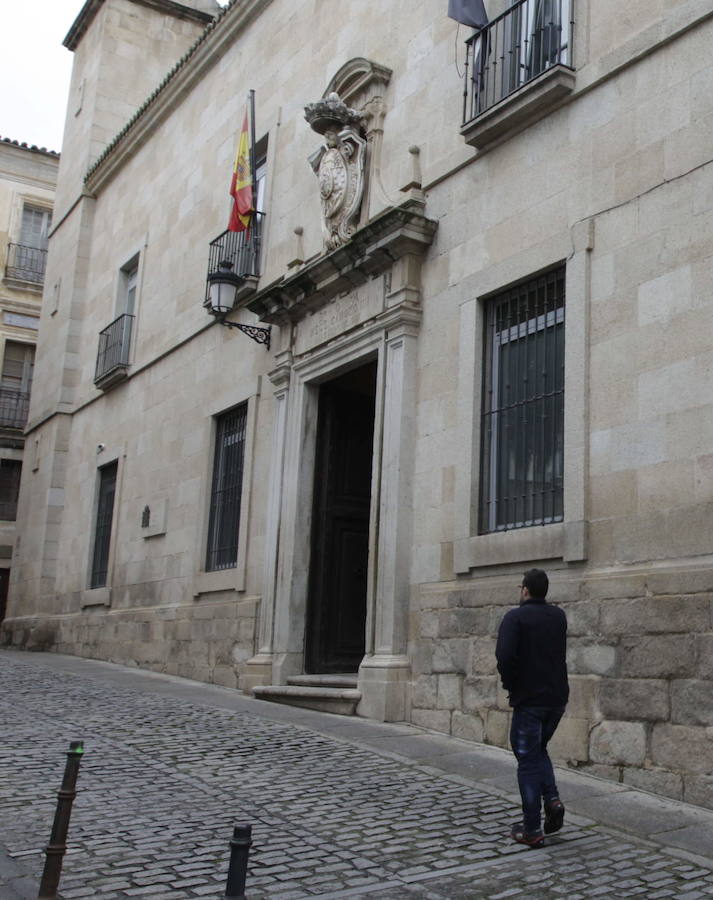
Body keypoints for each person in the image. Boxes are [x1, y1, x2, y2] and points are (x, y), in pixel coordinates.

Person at [495, 568, 569, 848]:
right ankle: (552, 800)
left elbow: (504, 655)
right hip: (557, 699)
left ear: (525, 590)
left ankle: (531, 828)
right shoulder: (558, 617)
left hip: (530, 700)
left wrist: (511, 683)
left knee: (526, 758)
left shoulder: (516, 617)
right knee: (537, 751)